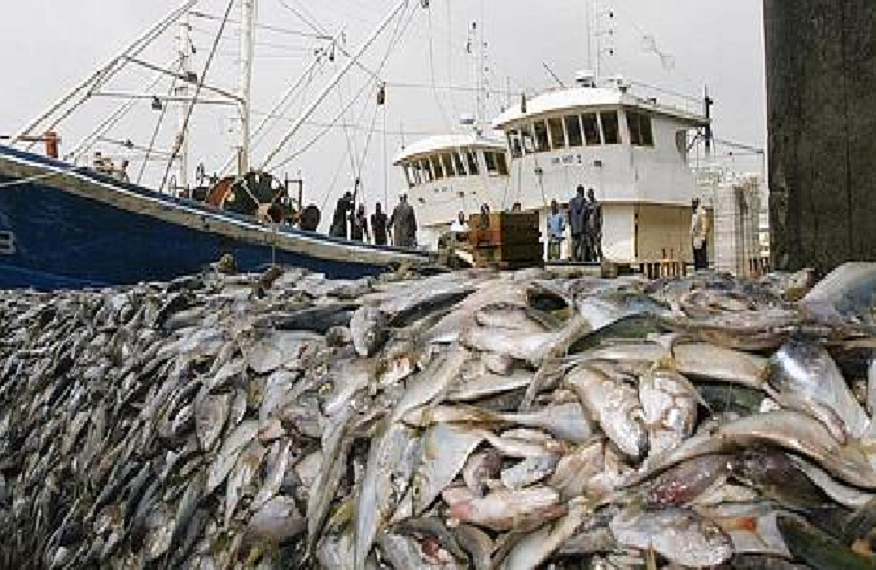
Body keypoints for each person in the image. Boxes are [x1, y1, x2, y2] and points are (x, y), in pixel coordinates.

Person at [569, 185, 588, 262]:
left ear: (577, 191)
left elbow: (569, 214)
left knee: (574, 244)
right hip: (582, 226)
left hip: (574, 227)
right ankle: (583, 260)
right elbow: (587, 216)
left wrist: (571, 225)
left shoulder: (571, 201)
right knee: (582, 244)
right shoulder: (585, 202)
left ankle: (574, 258)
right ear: (582, 192)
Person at [691, 197, 710, 270]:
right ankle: (697, 268)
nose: (693, 204)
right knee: (696, 255)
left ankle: (701, 269)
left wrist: (702, 237)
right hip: (695, 237)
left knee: (701, 255)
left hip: (700, 238)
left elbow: (704, 225)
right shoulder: (694, 213)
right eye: (693, 202)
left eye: (694, 202)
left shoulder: (702, 212)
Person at [585, 188, 603, 262]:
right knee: (591, 246)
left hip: (596, 229)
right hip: (589, 229)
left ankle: (601, 259)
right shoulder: (586, 205)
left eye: (591, 193)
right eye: (588, 194)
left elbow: (601, 218)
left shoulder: (597, 204)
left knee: (598, 245)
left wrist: (600, 230)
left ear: (593, 194)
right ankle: (593, 260)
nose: (590, 195)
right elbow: (585, 218)